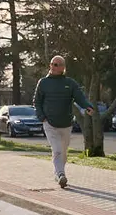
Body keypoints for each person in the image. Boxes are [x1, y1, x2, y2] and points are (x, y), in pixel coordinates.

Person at [34, 55, 92, 188]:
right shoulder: (43, 82)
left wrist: (88, 106)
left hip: (66, 123)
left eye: (57, 64)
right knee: (57, 150)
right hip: (49, 122)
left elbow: (80, 98)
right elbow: (37, 102)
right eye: (52, 64)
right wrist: (42, 117)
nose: (53, 66)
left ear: (63, 67)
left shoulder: (70, 83)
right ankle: (61, 175)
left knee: (64, 153)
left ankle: (58, 172)